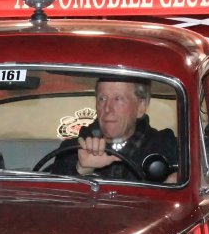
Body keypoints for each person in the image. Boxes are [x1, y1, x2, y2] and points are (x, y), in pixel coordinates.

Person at [47, 77, 179, 182]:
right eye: (102, 99)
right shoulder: (71, 150)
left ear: (140, 106)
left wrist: (173, 187)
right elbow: (54, 200)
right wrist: (80, 170)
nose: (107, 108)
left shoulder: (167, 148)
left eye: (118, 99)